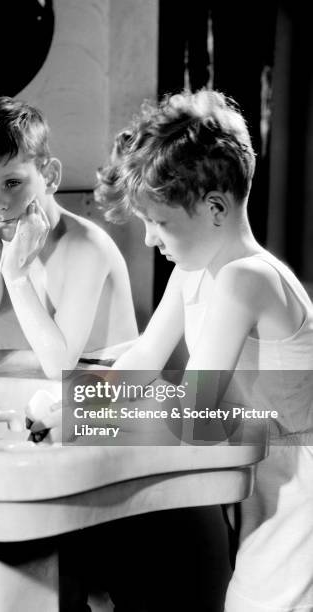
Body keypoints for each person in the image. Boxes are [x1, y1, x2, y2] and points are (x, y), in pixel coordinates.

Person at [92, 88, 313, 611]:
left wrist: (84, 421)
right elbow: (144, 360)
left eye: (158, 222)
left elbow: (198, 417)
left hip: (301, 488)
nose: (148, 239)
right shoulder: (193, 272)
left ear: (215, 208)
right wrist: (69, 408)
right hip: (264, 476)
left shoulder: (246, 279)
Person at [0, 96, 138, 379]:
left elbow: (60, 368)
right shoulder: (13, 243)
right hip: (74, 391)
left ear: (49, 176)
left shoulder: (86, 246)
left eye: (12, 183)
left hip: (120, 394)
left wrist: (16, 277)